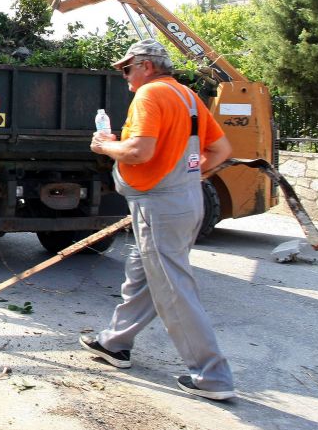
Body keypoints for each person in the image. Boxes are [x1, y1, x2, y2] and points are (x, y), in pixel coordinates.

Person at [80, 38, 235, 401]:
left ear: (147, 66)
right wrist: (185, 177)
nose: (125, 76)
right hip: (183, 201)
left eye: (127, 68)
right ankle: (114, 343)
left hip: (160, 207)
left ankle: (212, 376)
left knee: (173, 290)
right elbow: (222, 150)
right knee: (143, 275)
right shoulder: (187, 96)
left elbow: (138, 151)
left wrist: (104, 146)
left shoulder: (150, 95)